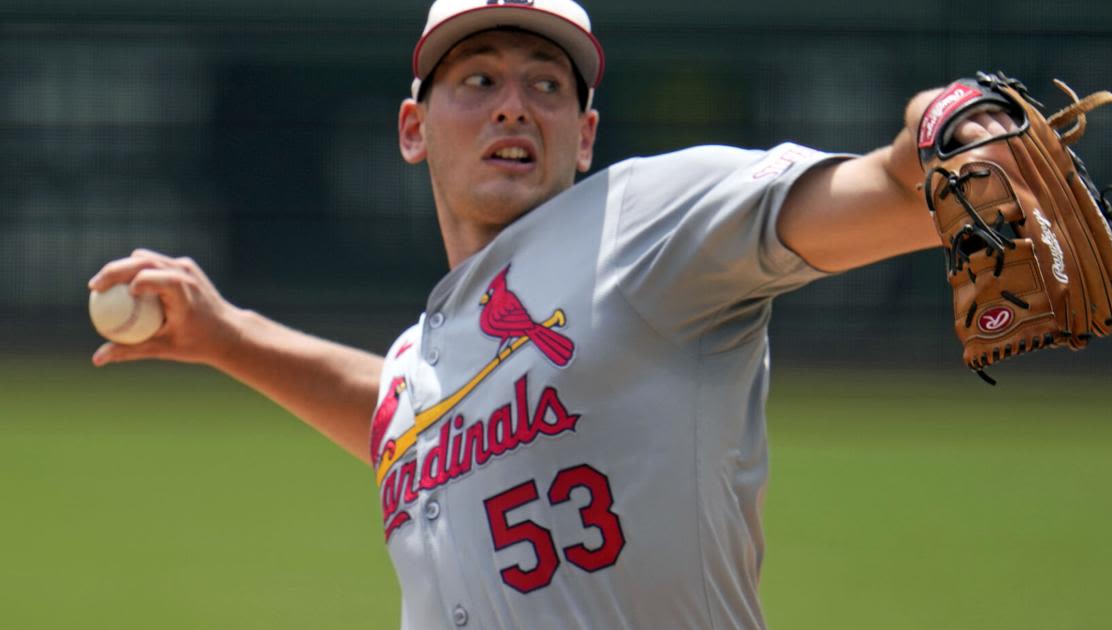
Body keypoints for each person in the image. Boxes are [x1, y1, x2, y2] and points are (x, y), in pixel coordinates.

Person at [88, 0, 1017, 627]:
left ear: (586, 136)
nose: (513, 108)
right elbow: (413, 414)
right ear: (414, 130)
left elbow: (884, 194)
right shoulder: (438, 349)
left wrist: (937, 140)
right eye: (477, 81)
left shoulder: (647, 221)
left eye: (545, 84)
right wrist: (223, 334)